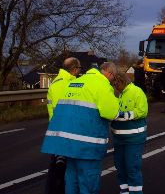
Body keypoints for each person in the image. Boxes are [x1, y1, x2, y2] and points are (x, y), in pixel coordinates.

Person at [41, 62, 121, 194]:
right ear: (109, 73)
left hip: (67, 144)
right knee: (88, 183)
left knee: (71, 181)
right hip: (86, 145)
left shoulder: (76, 82)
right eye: (113, 77)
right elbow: (111, 112)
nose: (113, 80)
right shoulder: (101, 84)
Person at [45, 57, 81, 194]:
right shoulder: (65, 84)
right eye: (79, 69)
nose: (79, 72)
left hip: (59, 130)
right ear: (73, 69)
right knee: (59, 171)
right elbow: (65, 110)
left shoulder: (61, 81)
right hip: (63, 132)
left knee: (60, 169)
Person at [111, 72, 148, 194]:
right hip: (119, 139)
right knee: (120, 168)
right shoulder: (120, 94)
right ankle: (124, 192)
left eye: (116, 84)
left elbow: (142, 111)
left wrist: (125, 115)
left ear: (121, 81)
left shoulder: (136, 91)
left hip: (134, 139)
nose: (115, 87)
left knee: (132, 168)